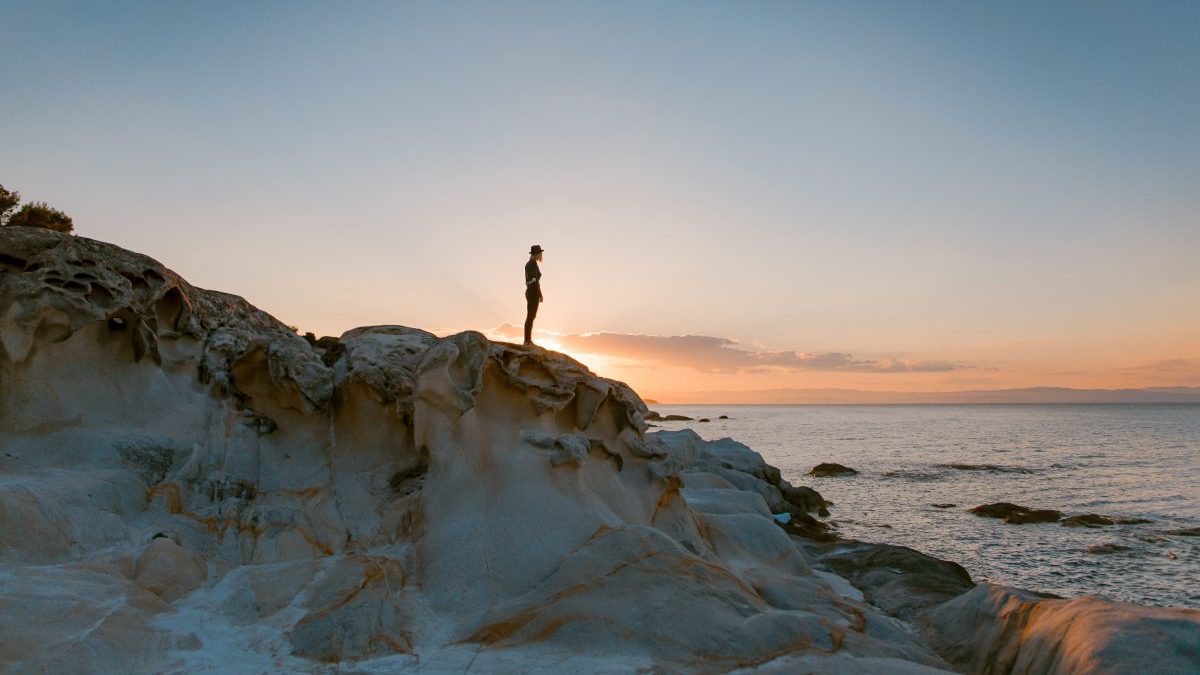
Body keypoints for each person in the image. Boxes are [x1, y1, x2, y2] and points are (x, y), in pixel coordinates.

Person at [524, 244, 544, 345]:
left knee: (532, 316)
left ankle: (528, 340)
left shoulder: (533, 264)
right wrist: (539, 294)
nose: (540, 255)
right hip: (532, 292)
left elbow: (534, 280)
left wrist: (539, 293)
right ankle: (527, 340)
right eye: (539, 253)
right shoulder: (531, 264)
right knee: (530, 316)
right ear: (535, 254)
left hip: (533, 291)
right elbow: (534, 281)